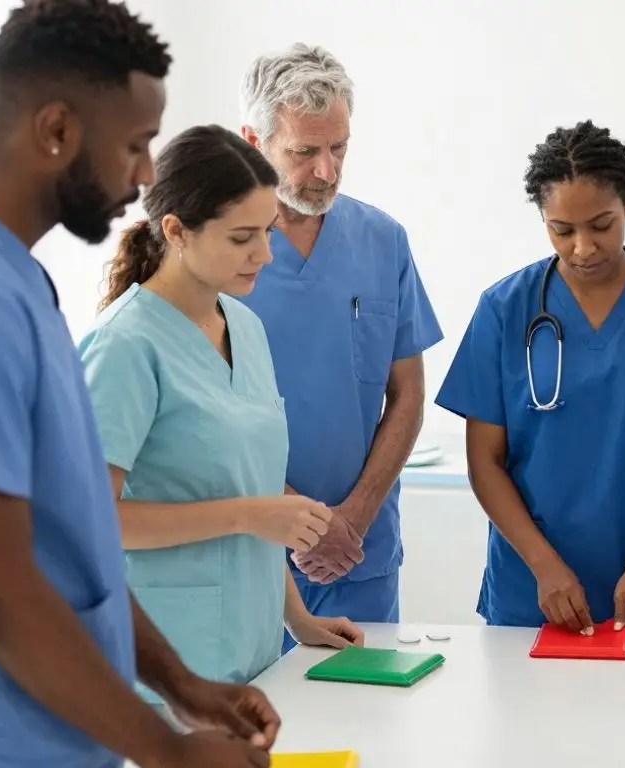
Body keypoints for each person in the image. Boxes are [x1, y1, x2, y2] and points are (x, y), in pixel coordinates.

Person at [0, 2, 278, 767]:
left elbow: (70, 549)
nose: (146, 175)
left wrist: (180, 684)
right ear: (57, 130)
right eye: (134, 145)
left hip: (51, 740)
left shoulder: (12, 281)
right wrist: (165, 749)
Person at [79, 124, 365, 705]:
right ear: (177, 231)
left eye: (267, 231)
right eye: (242, 237)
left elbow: (258, 498)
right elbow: (88, 521)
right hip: (162, 672)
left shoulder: (247, 329)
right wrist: (246, 515)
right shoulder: (125, 347)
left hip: (252, 658)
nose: (264, 253)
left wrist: (297, 619)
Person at [434, 120, 625, 638]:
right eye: (562, 230)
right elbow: (484, 462)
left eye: (601, 224)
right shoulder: (504, 309)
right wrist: (543, 566)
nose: (583, 247)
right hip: (530, 590)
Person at [236, 44, 442, 645]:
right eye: (304, 152)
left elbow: (407, 393)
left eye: (339, 147)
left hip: (359, 551)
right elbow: (201, 420)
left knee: (368, 728)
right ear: (254, 140)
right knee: (256, 732)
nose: (326, 171)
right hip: (254, 549)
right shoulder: (215, 254)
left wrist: (350, 519)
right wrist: (301, 520)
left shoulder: (382, 240)